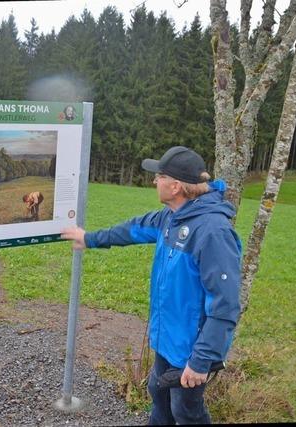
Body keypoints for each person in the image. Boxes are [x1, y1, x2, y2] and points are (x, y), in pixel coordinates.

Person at [61, 146, 242, 425]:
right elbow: (133, 229)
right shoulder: (170, 218)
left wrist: (201, 361)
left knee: (186, 411)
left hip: (190, 349)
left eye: (159, 176)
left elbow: (225, 305)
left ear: (176, 186)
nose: (153, 181)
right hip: (167, 339)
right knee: (158, 394)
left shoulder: (213, 233)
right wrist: (91, 239)